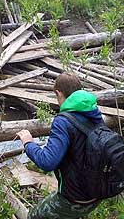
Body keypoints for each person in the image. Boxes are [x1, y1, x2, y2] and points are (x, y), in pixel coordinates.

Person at [16, 72, 103, 219]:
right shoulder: (94, 114)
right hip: (97, 195)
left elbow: (47, 162)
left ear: (58, 93)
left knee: (33, 216)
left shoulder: (63, 122)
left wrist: (29, 143)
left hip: (74, 200)